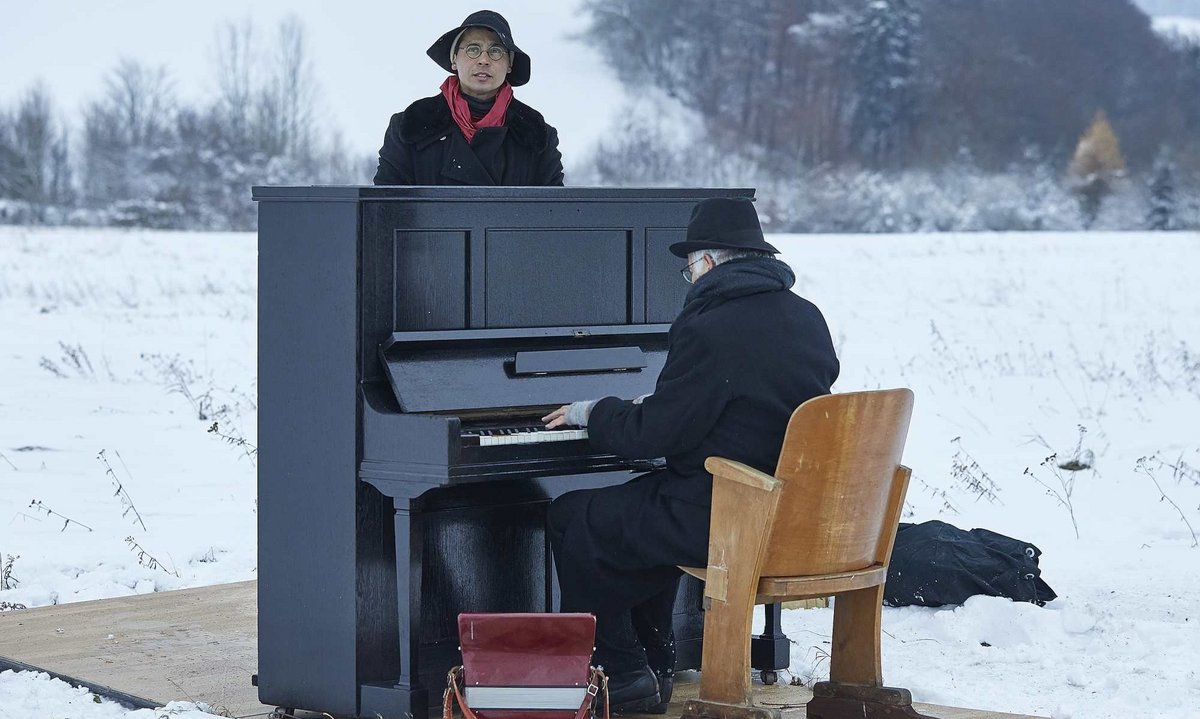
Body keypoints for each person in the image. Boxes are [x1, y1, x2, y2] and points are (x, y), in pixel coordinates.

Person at [542, 197, 840, 713]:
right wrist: (664, 405)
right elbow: (748, 400)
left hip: (723, 513)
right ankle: (655, 662)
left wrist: (592, 413)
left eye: (689, 270)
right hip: (787, 512)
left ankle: (622, 670)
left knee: (575, 517)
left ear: (705, 263)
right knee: (634, 518)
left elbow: (654, 435)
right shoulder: (806, 317)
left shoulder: (710, 326)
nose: (691, 279)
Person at [373, 10, 564, 186]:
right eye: (473, 49)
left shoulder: (538, 136)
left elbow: (554, 215)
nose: (484, 60)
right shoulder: (408, 127)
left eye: (496, 51)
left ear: (509, 65)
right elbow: (384, 211)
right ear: (454, 59)